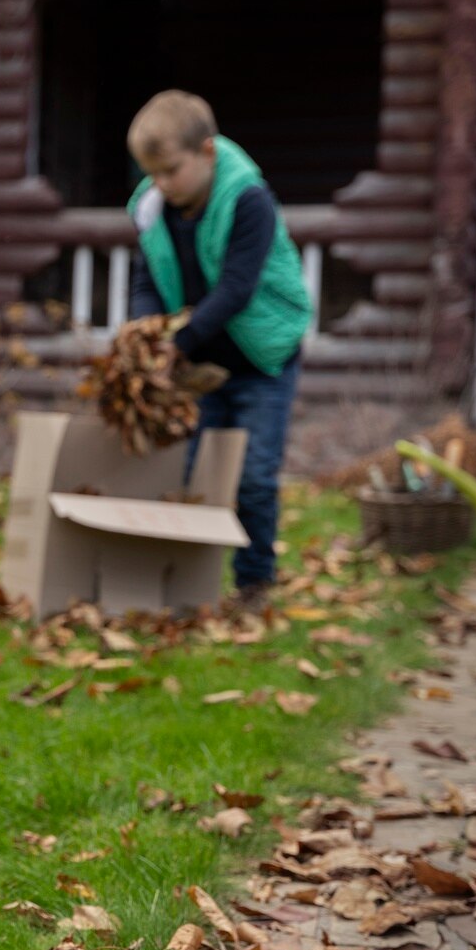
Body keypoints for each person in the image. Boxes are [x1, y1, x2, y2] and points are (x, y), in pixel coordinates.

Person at [125, 90, 313, 607]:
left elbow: (235, 289)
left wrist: (179, 341)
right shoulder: (153, 209)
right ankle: (190, 584)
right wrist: (147, 331)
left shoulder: (248, 199)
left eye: (171, 171)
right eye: (153, 174)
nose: (162, 184)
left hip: (261, 360)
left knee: (252, 476)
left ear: (206, 150)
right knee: (191, 469)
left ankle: (254, 582)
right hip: (199, 361)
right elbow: (147, 281)